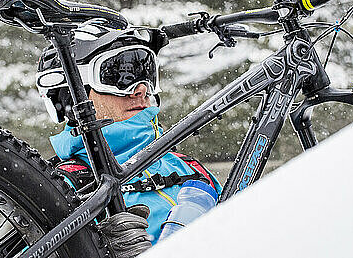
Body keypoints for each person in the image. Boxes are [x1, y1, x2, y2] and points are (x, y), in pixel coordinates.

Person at [36, 21, 222, 256]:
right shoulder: (59, 187)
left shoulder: (190, 168)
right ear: (73, 95)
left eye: (145, 74)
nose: (140, 89)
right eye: (119, 75)